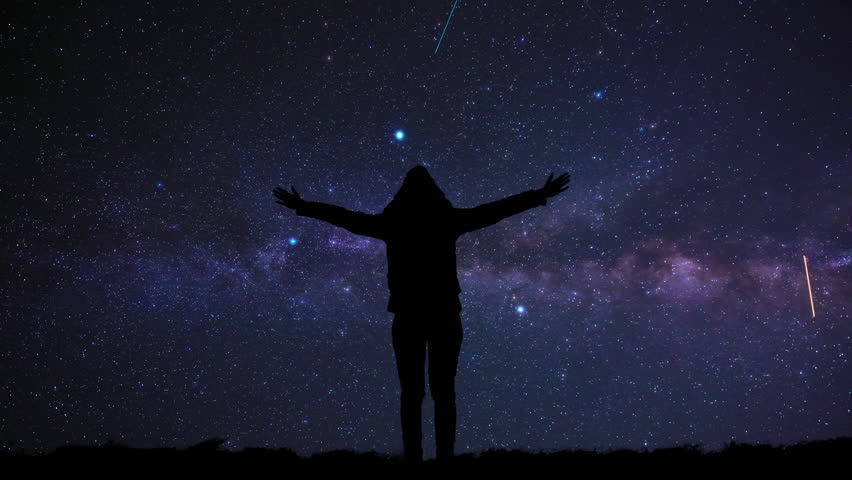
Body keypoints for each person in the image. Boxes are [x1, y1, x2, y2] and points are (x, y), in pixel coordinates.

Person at [273, 166, 570, 463]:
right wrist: (538, 195)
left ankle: (416, 457)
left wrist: (304, 207)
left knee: (413, 393)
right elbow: (494, 211)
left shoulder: (392, 225)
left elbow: (346, 218)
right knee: (442, 392)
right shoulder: (447, 221)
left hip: (410, 316)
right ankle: (442, 457)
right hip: (442, 314)